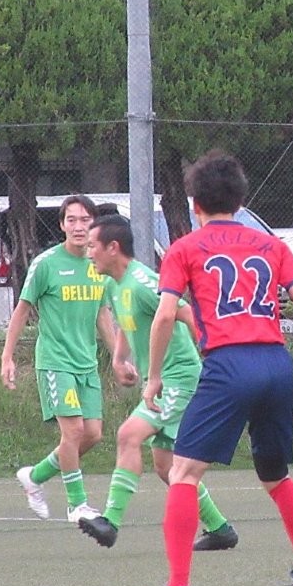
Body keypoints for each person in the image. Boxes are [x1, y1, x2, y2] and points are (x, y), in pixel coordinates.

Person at [142, 149, 293, 586]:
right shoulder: (271, 245)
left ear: (195, 204)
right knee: (276, 476)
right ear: (240, 201)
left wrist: (153, 377)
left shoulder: (184, 248)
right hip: (276, 364)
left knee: (182, 473)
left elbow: (165, 315)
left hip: (228, 365)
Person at [78, 214, 238, 551]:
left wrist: (215, 354)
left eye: (93, 246)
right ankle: (220, 529)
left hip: (179, 378)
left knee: (128, 435)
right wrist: (119, 359)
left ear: (113, 247)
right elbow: (129, 322)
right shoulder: (114, 284)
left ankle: (110, 522)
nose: (88, 252)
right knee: (167, 467)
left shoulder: (142, 282)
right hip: (164, 382)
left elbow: (185, 312)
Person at [1, 194, 115, 523]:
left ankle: (35, 476)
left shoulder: (99, 266)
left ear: (94, 224)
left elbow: (103, 314)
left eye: (85, 220)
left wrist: (121, 357)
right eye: (72, 220)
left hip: (86, 364)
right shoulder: (46, 264)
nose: (79, 227)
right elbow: (22, 309)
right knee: (74, 431)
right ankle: (77, 504)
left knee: (93, 434)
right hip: (55, 362)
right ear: (62, 225)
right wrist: (7, 357)